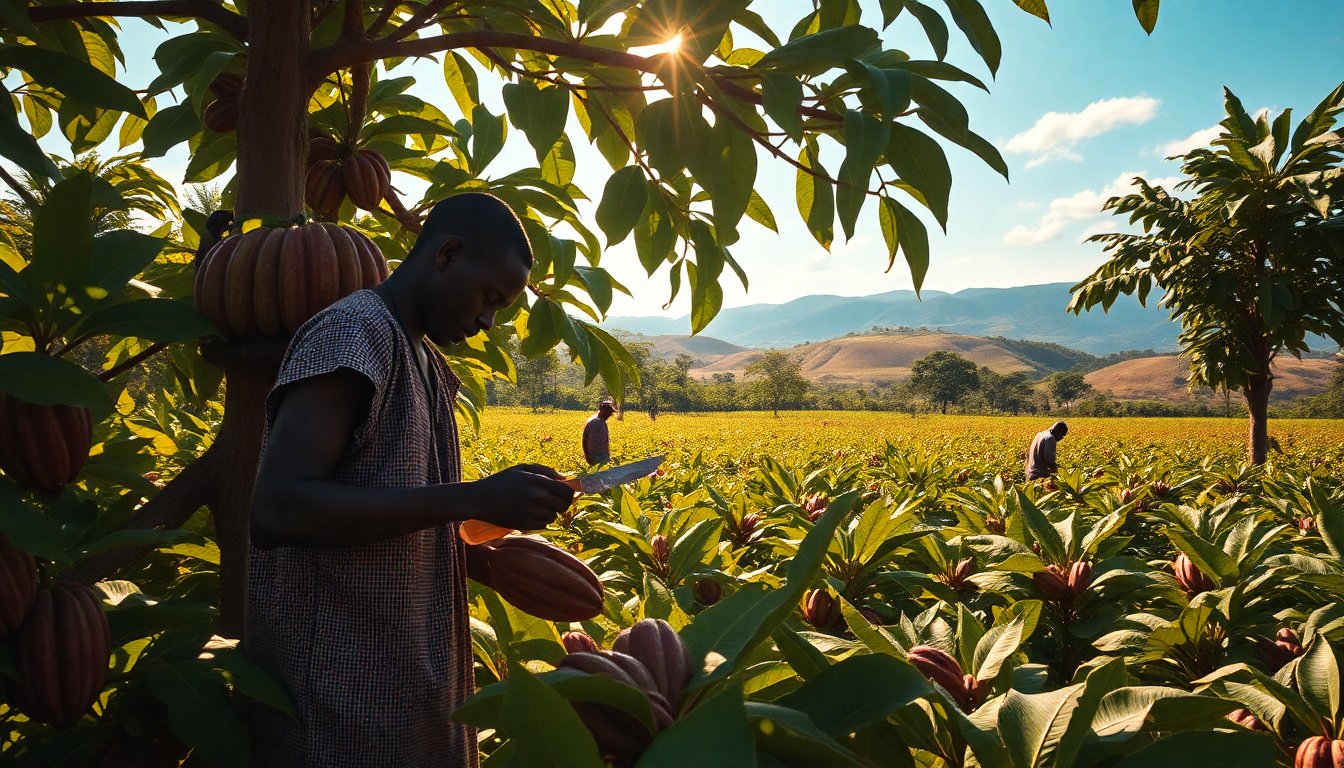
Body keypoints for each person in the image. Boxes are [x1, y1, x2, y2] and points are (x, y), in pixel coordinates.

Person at [245, 193, 576, 767]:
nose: (487, 321)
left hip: (406, 686)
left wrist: (493, 560)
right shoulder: (353, 334)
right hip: (336, 700)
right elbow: (279, 510)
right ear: (447, 254)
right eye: (489, 299)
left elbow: (397, 505)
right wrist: (476, 496)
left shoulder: (425, 360)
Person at [583, 399, 616, 465]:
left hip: (602, 456)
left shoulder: (602, 422)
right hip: (596, 457)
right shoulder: (596, 422)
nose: (610, 415)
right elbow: (586, 439)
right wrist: (587, 456)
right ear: (602, 412)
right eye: (609, 412)